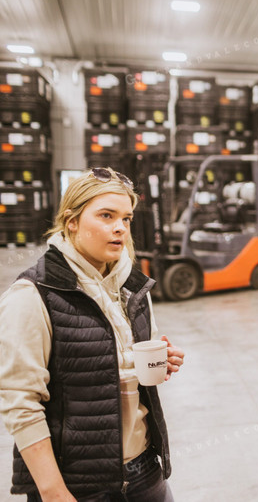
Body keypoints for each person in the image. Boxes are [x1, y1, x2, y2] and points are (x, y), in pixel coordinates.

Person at [0, 167, 185, 501]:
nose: (120, 228)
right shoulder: (34, 294)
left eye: (126, 219)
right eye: (106, 215)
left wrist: (163, 361)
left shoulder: (133, 286)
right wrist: (53, 491)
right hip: (78, 485)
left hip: (146, 472)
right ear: (72, 221)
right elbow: (20, 401)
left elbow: (135, 367)